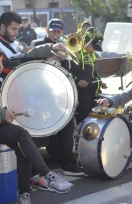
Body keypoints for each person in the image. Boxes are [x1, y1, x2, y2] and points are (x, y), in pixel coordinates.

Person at [0, 41, 74, 204]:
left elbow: (27, 56)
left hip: (3, 121)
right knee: (21, 135)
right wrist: (0, 114)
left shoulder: (0, 65)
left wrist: (51, 48)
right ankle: (47, 175)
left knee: (23, 144)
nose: (1, 67)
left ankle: (24, 193)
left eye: (1, 63)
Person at [29, 18, 85, 177]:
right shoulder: (37, 43)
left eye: (58, 31)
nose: (55, 34)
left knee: (66, 124)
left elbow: (71, 70)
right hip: (40, 94)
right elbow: (29, 62)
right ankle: (33, 168)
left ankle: (68, 162)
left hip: (58, 94)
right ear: (47, 30)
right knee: (36, 128)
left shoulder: (66, 46)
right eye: (52, 31)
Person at [71, 27, 107, 124]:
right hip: (80, 93)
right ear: (87, 41)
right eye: (93, 46)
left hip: (93, 91)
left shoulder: (93, 54)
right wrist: (77, 81)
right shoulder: (75, 52)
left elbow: (93, 72)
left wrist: (100, 82)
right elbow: (68, 72)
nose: (94, 49)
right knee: (86, 119)